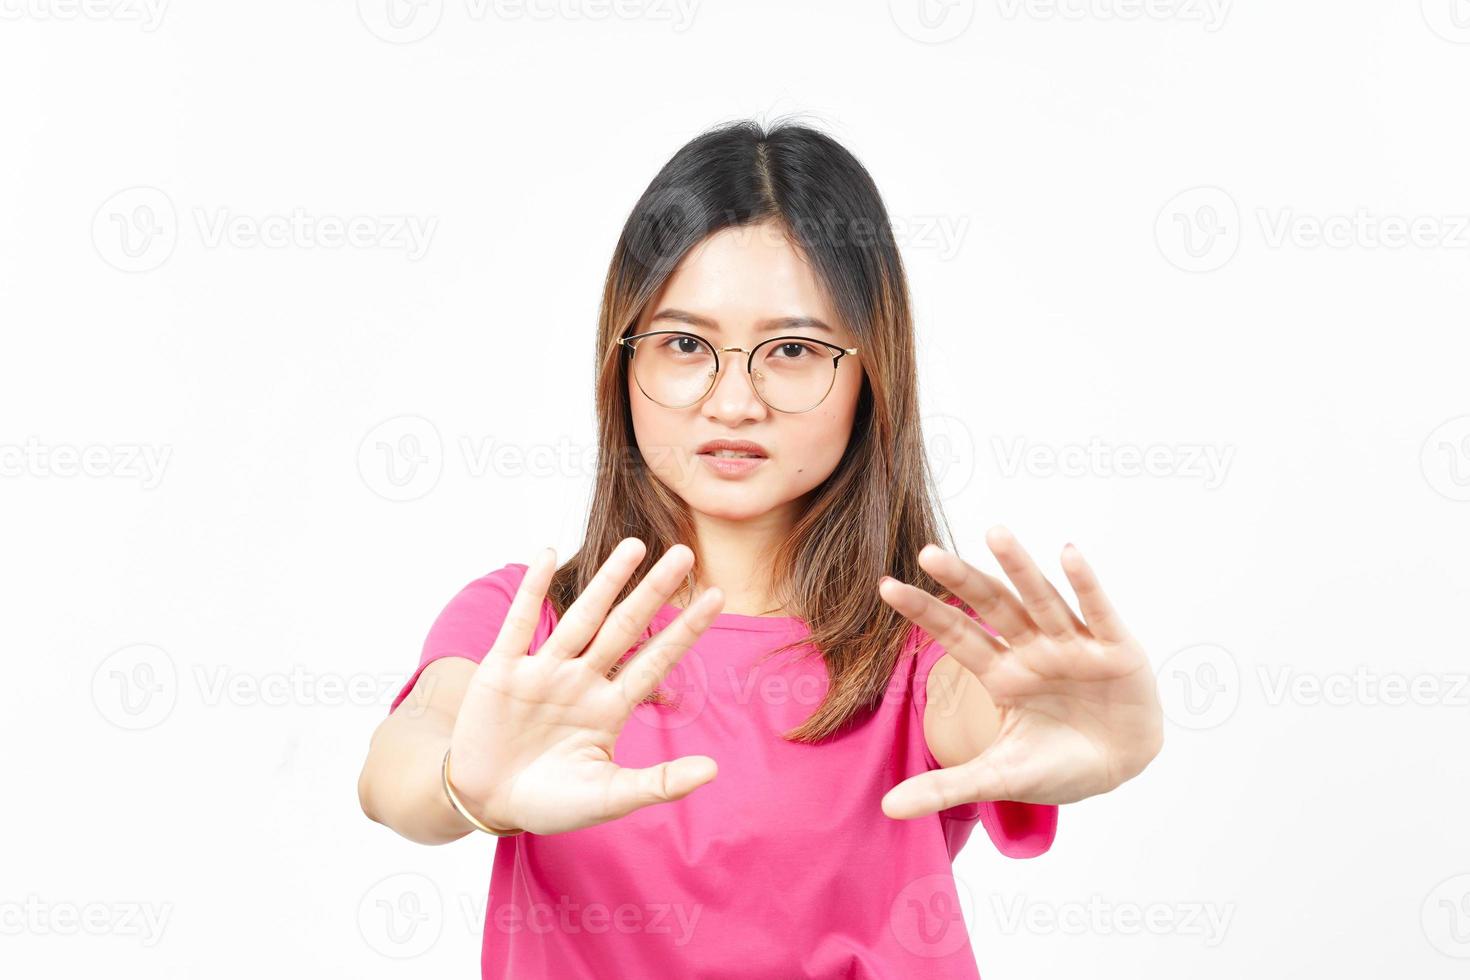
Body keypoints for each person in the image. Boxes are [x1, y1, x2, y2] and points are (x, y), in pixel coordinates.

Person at [357, 117, 1164, 979]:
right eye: (682, 345)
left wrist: (1071, 730)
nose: (733, 401)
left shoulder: (928, 637)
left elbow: (988, 711)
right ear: (620, 362)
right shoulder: (534, 627)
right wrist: (462, 786)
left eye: (790, 350)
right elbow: (402, 761)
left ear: (871, 372)